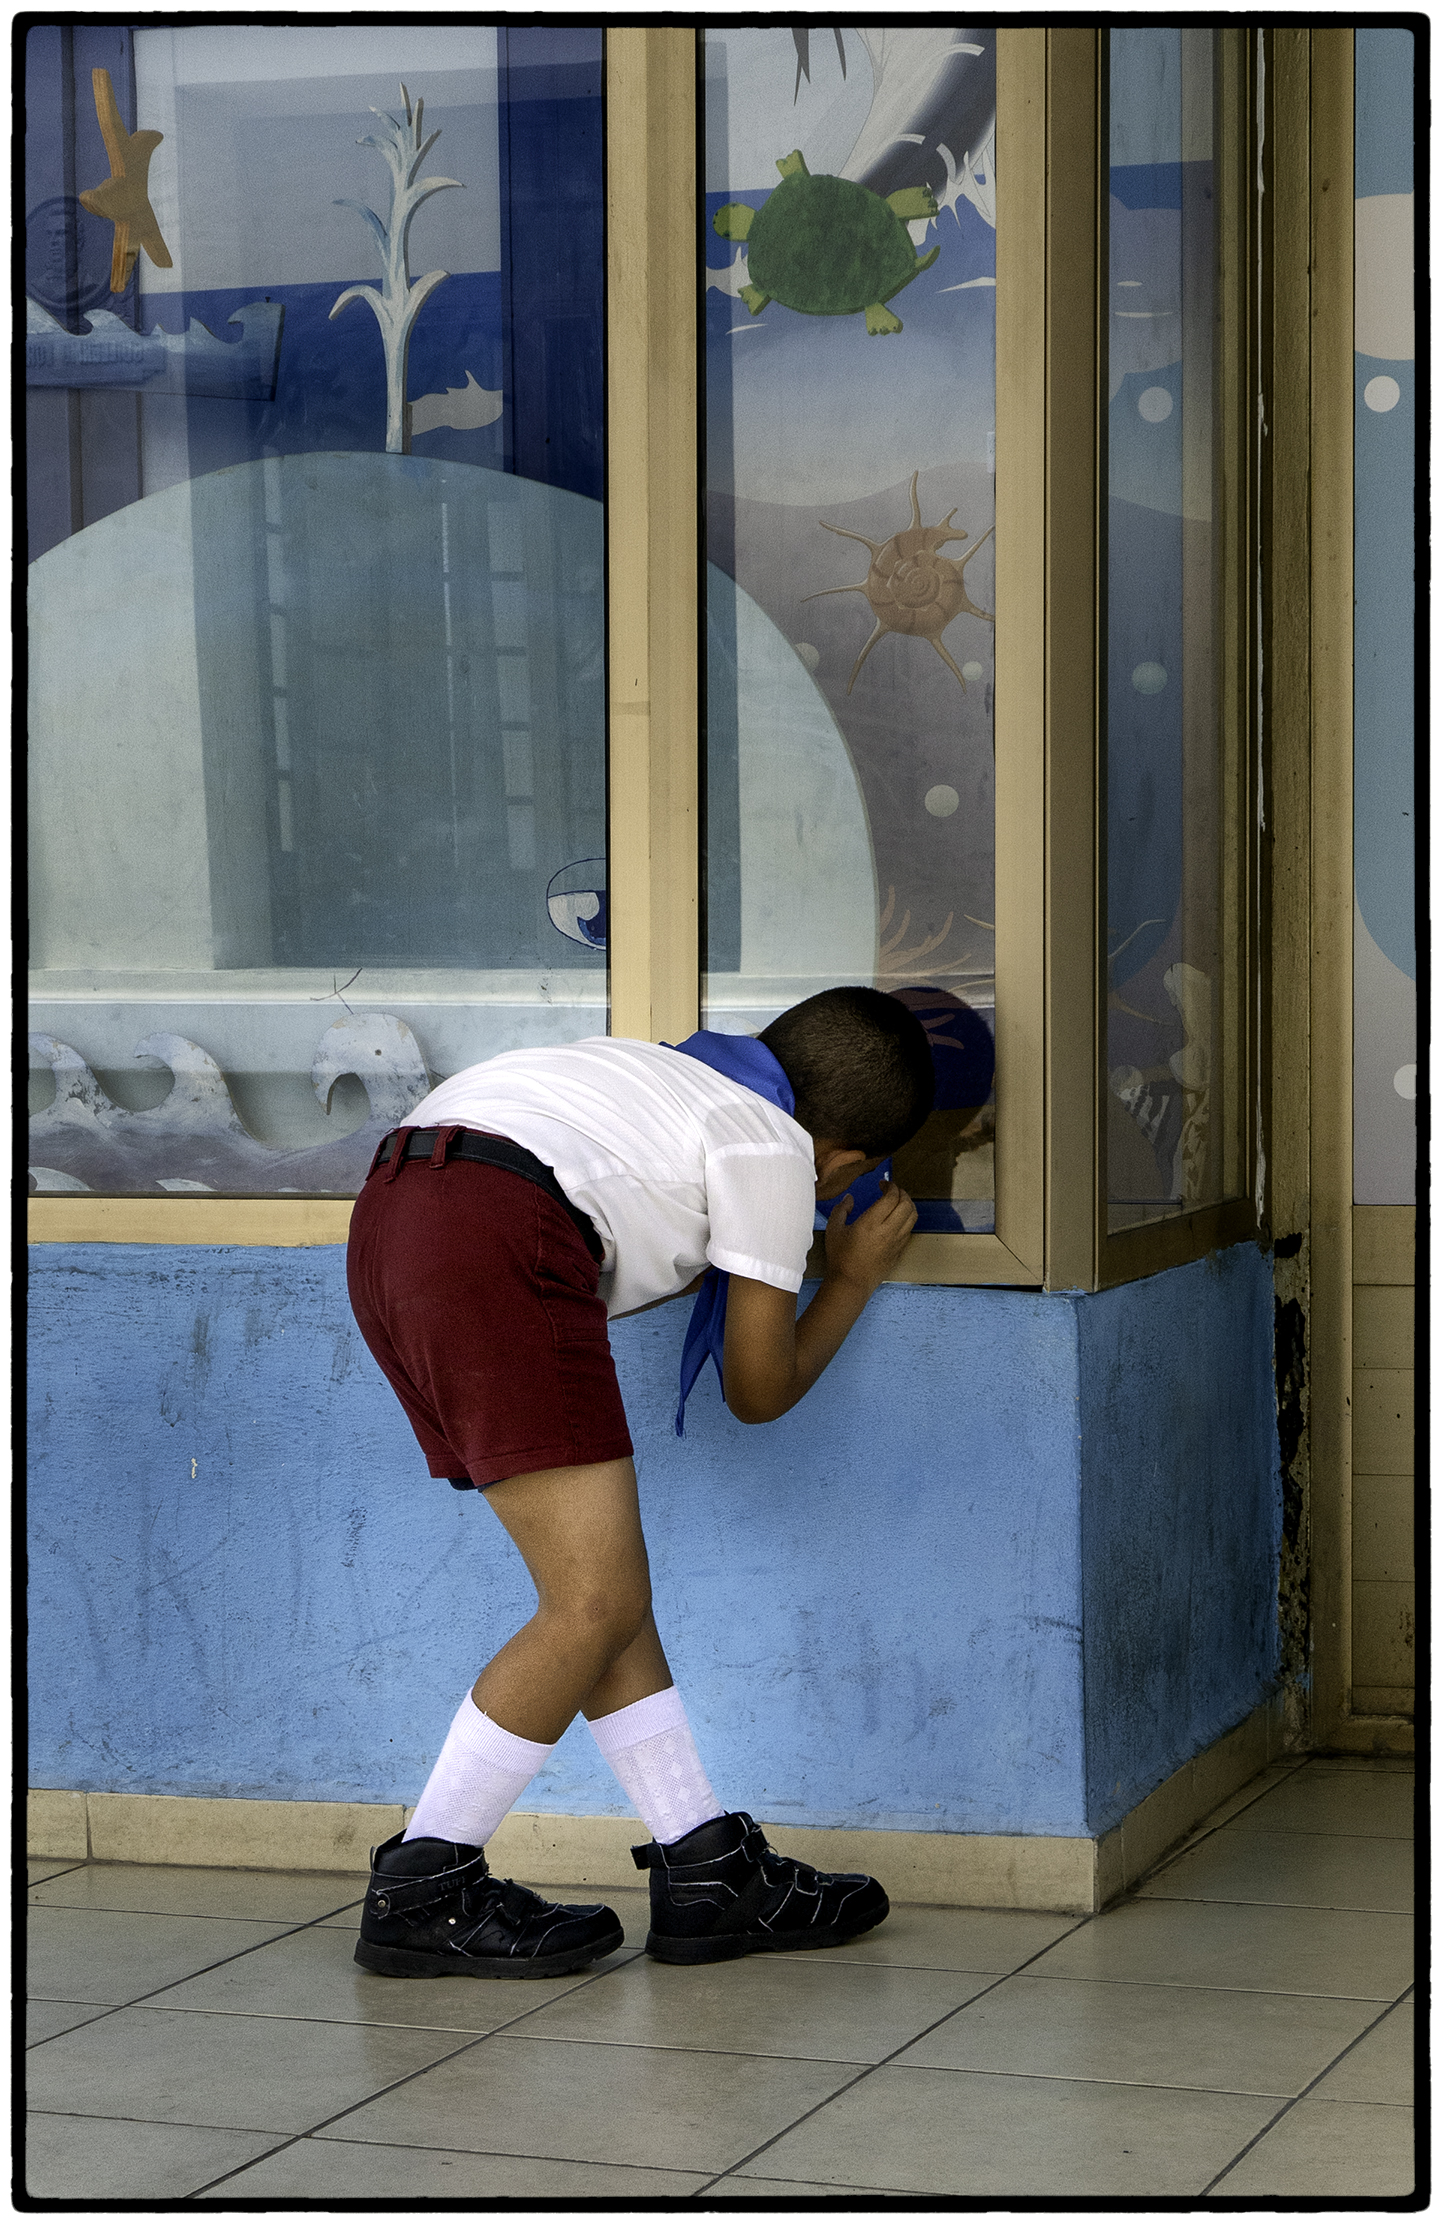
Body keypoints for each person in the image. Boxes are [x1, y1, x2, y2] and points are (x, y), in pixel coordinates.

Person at [346, 985, 933, 1979]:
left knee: (608, 1595)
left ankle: (704, 1864)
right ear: (846, 1159)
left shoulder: (671, 1074)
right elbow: (758, 1388)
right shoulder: (769, 1142)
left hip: (398, 1220)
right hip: (499, 1235)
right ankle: (425, 1882)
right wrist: (851, 1275)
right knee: (592, 1600)